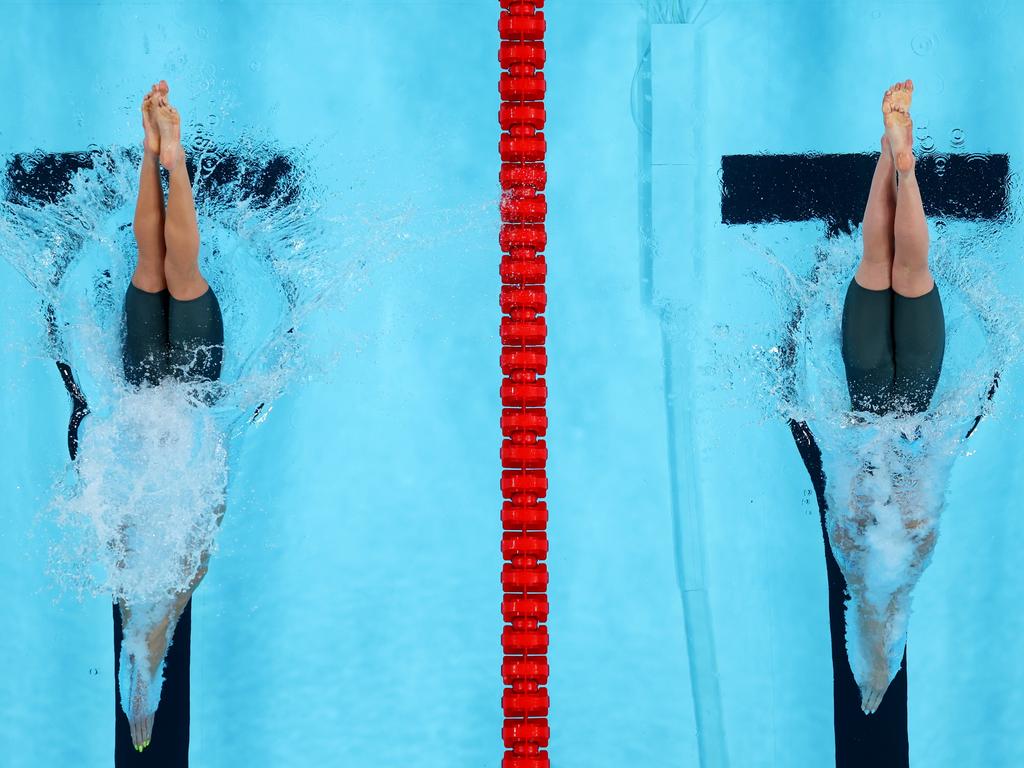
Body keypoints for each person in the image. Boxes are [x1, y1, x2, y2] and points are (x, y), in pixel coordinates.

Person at [118, 79, 224, 752]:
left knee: (168, 273)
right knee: (159, 272)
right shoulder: (154, 545)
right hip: (160, 387)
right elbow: (150, 623)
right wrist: (138, 697)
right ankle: (160, 154)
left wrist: (139, 696)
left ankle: (166, 155)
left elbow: (151, 625)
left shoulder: (177, 548)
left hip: (176, 385)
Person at [836, 79, 946, 716]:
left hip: (915, 399)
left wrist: (877, 662)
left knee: (904, 271)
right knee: (880, 263)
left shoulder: (906, 533)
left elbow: (884, 600)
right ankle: (891, 154)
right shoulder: (862, 534)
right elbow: (877, 600)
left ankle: (899, 159)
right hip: (866, 387)